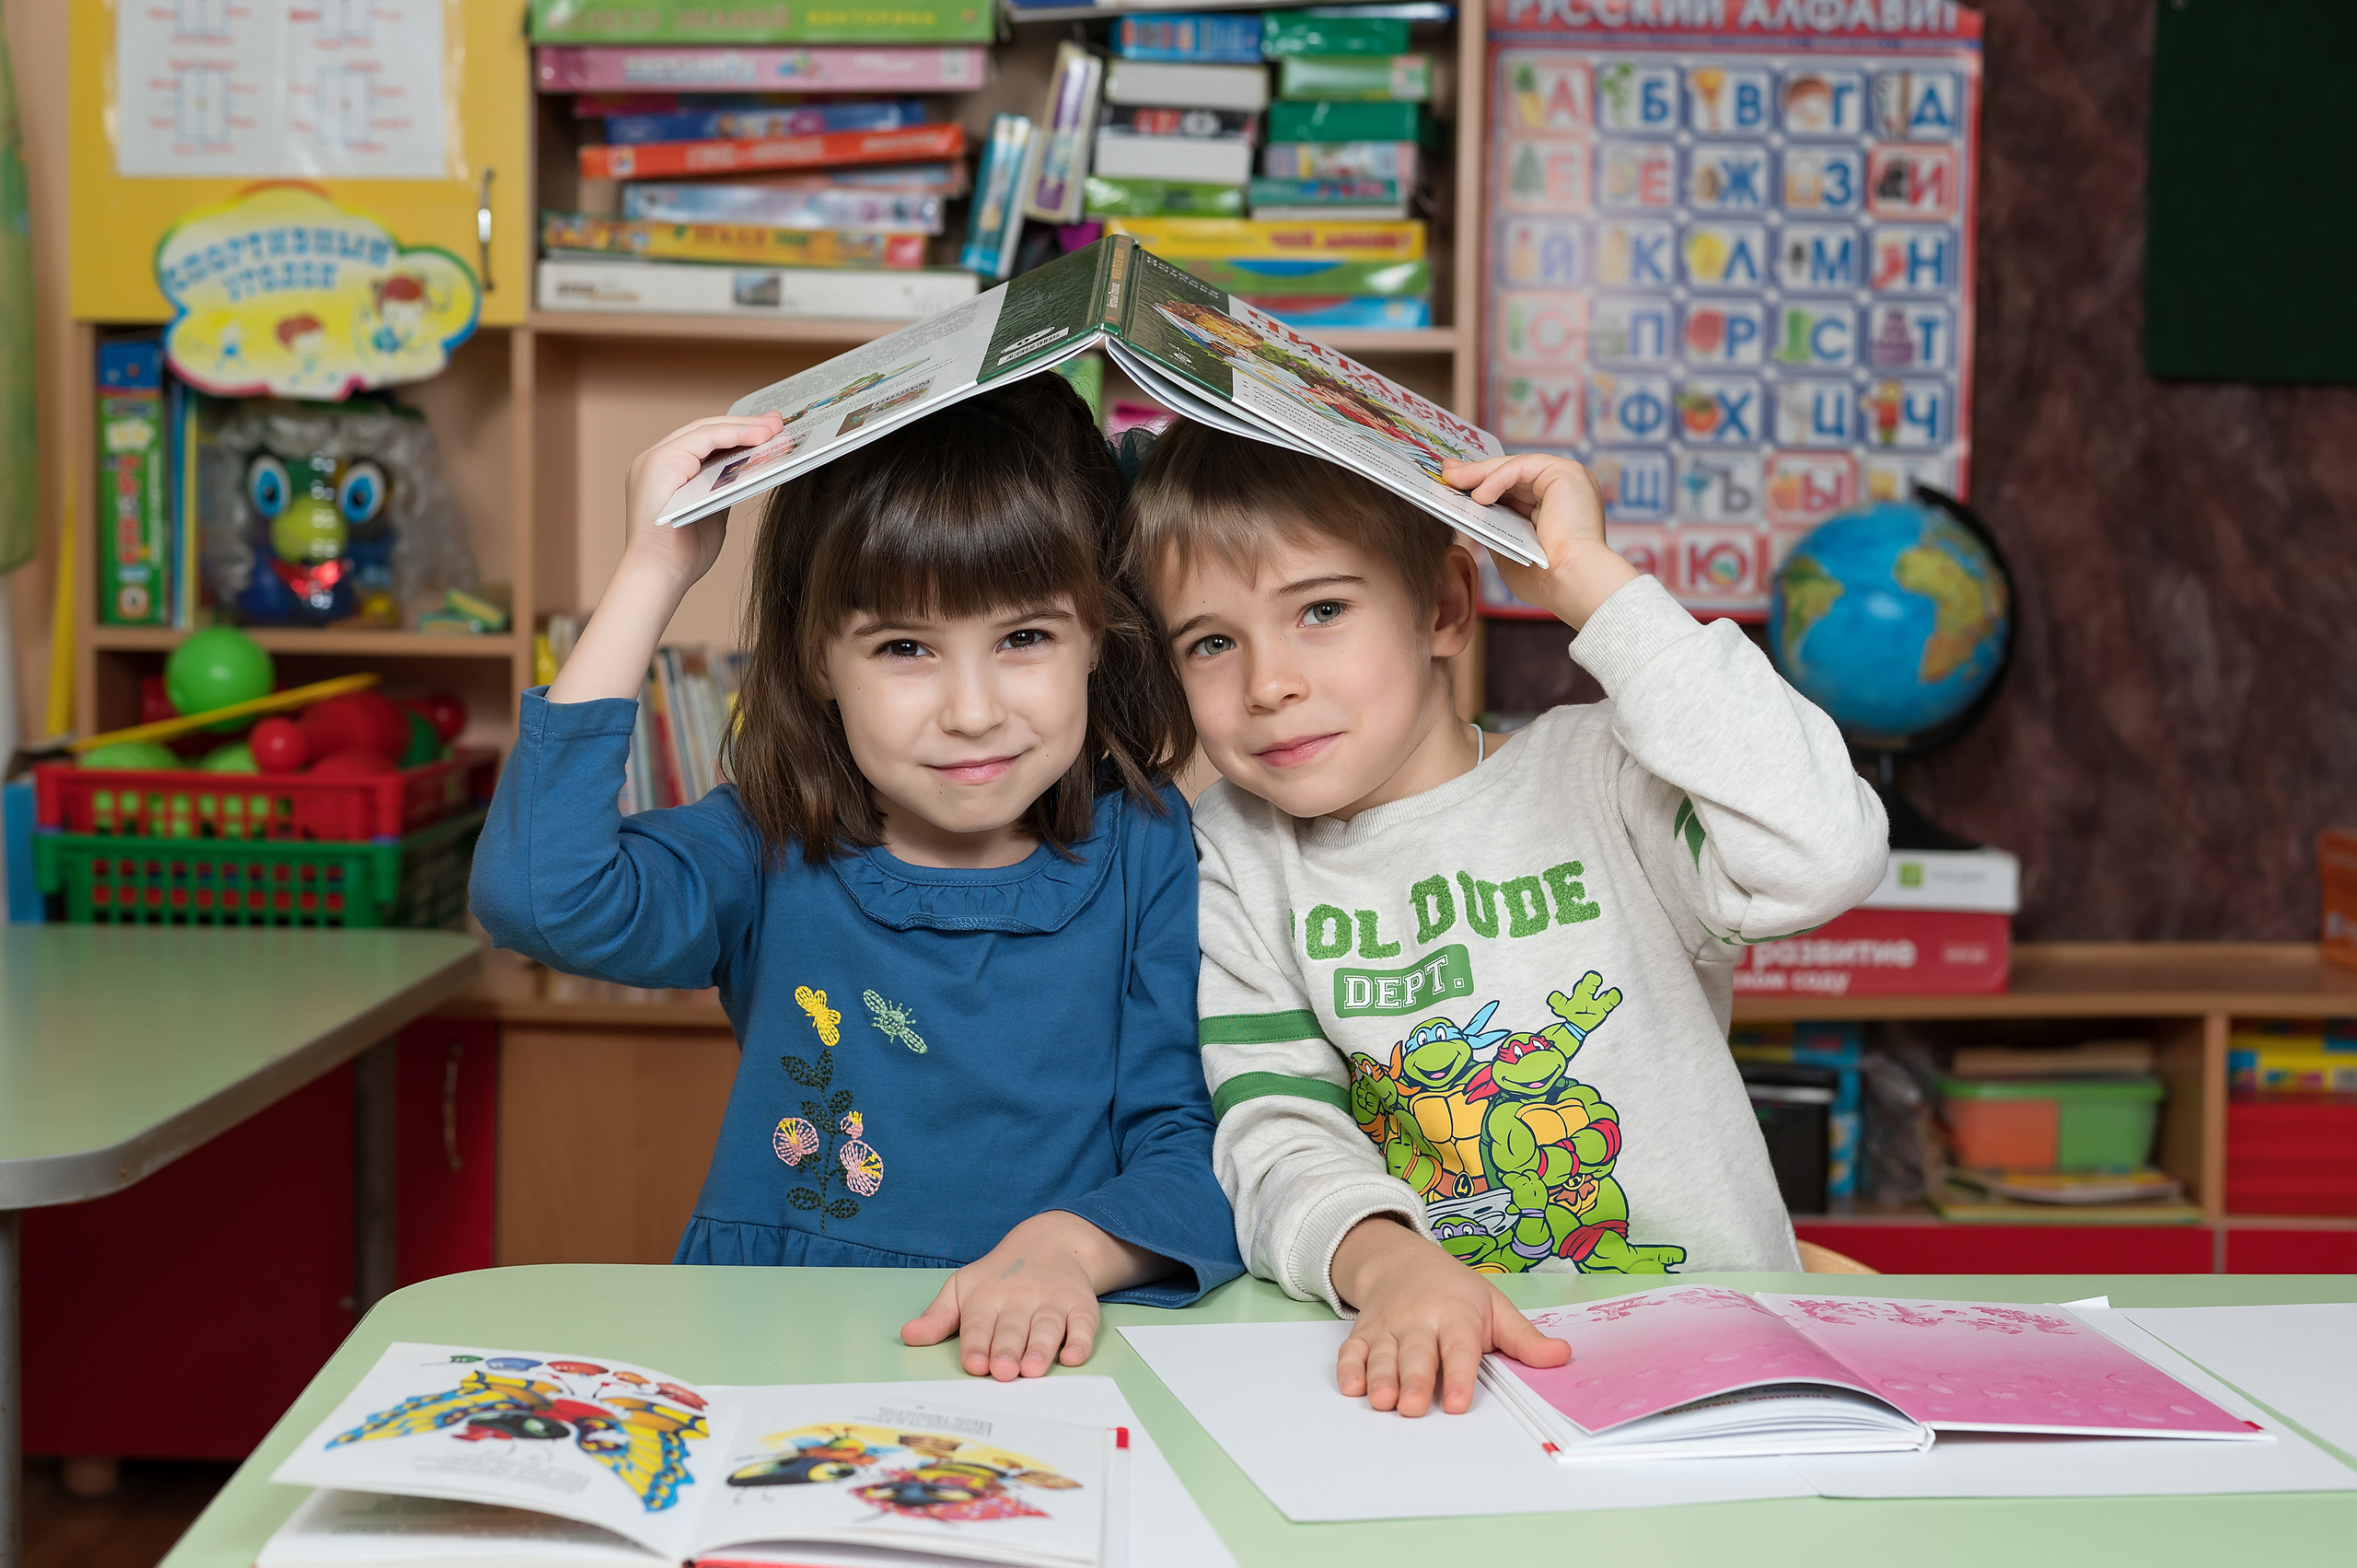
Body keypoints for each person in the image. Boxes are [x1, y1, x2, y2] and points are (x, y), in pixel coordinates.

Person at [471, 376, 1242, 1382]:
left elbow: (1190, 1145)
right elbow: (540, 896)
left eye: (1024, 637)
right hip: (778, 1335)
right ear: (821, 658)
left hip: (1049, 1343)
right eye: (904, 647)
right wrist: (655, 564)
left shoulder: (1147, 847)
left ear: (1096, 633)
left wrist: (1070, 1250)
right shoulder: (768, 840)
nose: (971, 711)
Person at [1121, 426, 1887, 1418]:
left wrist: (1592, 582)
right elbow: (1278, 1131)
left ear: (1442, 606)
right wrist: (1388, 1264)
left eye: (1320, 609)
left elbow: (1823, 852)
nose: (1268, 682)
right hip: (1441, 1376)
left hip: (1717, 1357)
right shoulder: (1231, 847)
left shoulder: (1604, 773)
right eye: (1212, 641)